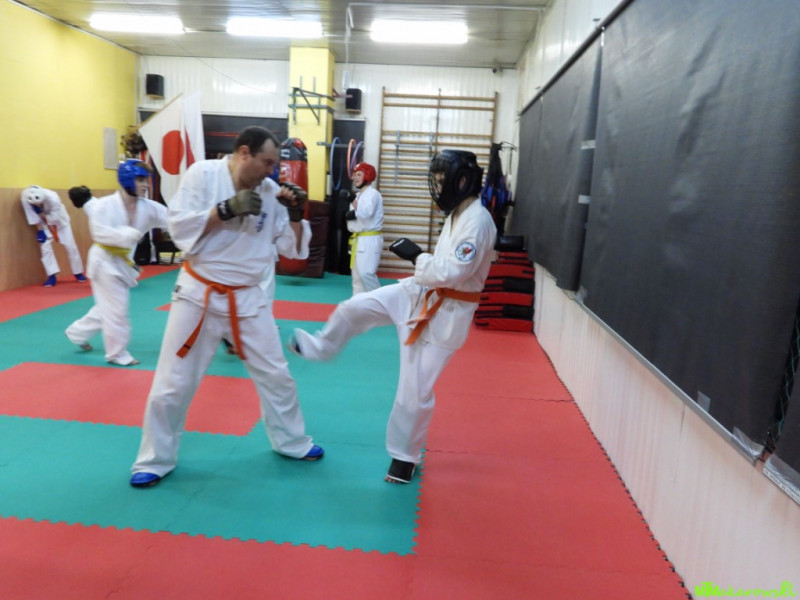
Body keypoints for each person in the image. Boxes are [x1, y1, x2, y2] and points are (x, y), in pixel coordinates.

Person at [130, 126, 323, 488]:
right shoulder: (202, 175)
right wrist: (223, 210)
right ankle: (155, 459)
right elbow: (177, 227)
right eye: (267, 162)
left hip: (248, 297)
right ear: (244, 152)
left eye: (275, 164)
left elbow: (291, 250)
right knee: (173, 381)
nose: (271, 171)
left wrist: (297, 214)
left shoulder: (270, 193)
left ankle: (291, 442)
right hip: (198, 294)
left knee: (277, 375)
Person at [289, 150, 496, 484]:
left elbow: (455, 271)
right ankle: (320, 348)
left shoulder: (479, 221)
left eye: (442, 180)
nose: (438, 186)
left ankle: (405, 457)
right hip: (419, 292)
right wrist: (421, 263)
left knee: (414, 390)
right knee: (355, 306)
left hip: (447, 314)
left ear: (462, 181)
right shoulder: (457, 214)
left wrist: (417, 256)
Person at [65, 162, 168, 366]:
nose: (145, 185)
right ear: (127, 180)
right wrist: (128, 234)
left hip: (122, 264)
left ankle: (76, 332)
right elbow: (99, 233)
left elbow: (173, 220)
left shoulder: (149, 208)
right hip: (103, 262)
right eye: (140, 180)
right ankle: (116, 353)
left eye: (146, 180)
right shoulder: (104, 206)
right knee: (116, 310)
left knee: (108, 307)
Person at [20, 185, 87, 286]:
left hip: (60, 221)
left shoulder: (53, 197)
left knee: (70, 246)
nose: (40, 205)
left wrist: (41, 213)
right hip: (44, 223)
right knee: (45, 247)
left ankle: (78, 272)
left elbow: (53, 218)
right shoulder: (25, 197)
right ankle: (51, 275)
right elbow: (33, 217)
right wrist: (40, 230)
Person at [346, 162, 384, 295]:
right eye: (355, 175)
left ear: (367, 175)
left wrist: (353, 202)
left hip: (370, 239)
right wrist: (349, 217)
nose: (355, 178)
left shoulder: (373, 194)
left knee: (367, 274)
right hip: (358, 239)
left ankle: (381, 302)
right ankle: (358, 304)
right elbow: (357, 216)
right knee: (357, 278)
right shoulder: (358, 196)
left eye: (359, 175)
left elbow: (366, 213)